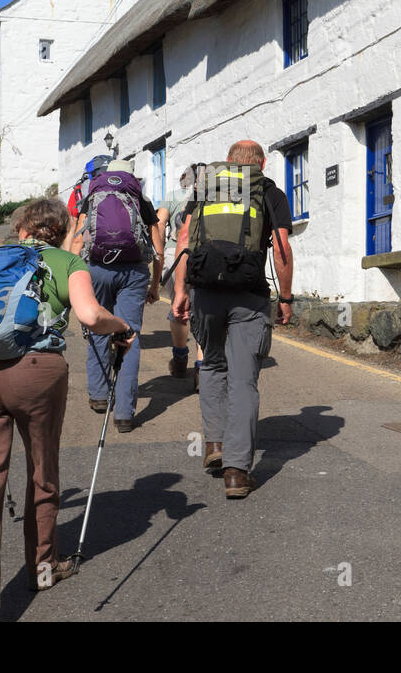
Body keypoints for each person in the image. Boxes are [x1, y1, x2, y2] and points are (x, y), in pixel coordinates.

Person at [0, 197, 135, 621]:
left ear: (20, 230)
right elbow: (88, 314)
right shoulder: (67, 263)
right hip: (35, 373)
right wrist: (121, 327)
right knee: (41, 471)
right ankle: (43, 568)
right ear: (63, 230)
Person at [172, 141, 294, 499]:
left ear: (229, 162)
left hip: (205, 290)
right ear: (262, 163)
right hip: (249, 292)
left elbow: (183, 237)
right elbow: (282, 245)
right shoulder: (269, 190)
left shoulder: (207, 187)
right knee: (243, 380)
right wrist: (285, 298)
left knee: (210, 365)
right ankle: (237, 474)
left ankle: (214, 445)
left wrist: (180, 291)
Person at [79, 160, 165, 433]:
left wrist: (76, 281)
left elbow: (79, 240)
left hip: (97, 269)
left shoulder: (93, 193)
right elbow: (158, 246)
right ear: (131, 175)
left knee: (97, 328)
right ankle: (125, 414)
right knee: (129, 334)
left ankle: (99, 396)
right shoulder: (139, 196)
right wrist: (155, 283)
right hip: (133, 272)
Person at [155, 163, 205, 385]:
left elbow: (160, 222)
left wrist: (159, 252)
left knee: (178, 305)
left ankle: (180, 357)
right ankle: (202, 367)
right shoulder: (213, 196)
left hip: (176, 254)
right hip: (204, 256)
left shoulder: (173, 196)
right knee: (202, 308)